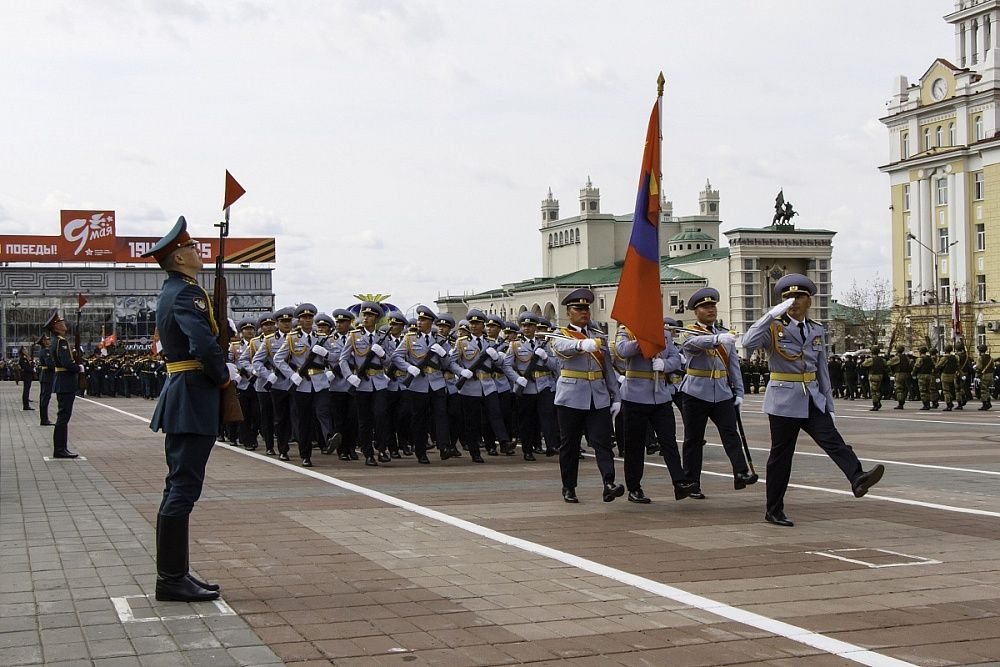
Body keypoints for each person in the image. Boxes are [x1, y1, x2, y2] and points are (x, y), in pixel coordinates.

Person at [141, 216, 238, 602]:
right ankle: (170, 578)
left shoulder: (177, 290)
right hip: (193, 394)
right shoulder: (186, 295)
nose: (199, 252)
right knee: (183, 487)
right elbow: (201, 344)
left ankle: (176, 573)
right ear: (179, 258)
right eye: (193, 248)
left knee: (179, 484)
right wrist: (223, 377)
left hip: (186, 392)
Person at [742, 274, 885, 527]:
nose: (793, 301)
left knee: (833, 440)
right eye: (787, 297)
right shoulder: (773, 327)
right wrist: (769, 315)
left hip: (812, 398)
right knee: (781, 457)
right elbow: (747, 342)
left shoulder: (816, 329)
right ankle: (773, 509)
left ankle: (857, 476)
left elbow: (822, 372)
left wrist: (830, 405)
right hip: (783, 400)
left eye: (799, 297)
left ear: (809, 301)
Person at [676, 288, 757, 499]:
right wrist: (718, 339)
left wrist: (739, 392)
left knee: (731, 433)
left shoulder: (723, 333)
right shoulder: (690, 332)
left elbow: (733, 366)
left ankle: (740, 472)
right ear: (696, 311)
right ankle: (692, 481)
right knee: (694, 438)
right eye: (705, 307)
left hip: (721, 391)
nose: (710, 310)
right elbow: (693, 344)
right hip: (695, 390)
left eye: (712, 306)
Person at [547, 289, 623, 503]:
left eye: (586, 309)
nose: (584, 312)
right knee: (570, 445)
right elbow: (560, 349)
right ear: (569, 312)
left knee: (603, 442)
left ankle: (609, 483)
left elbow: (607, 368)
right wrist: (580, 344)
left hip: (597, 396)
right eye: (578, 309)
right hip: (571, 396)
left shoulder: (598, 335)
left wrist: (615, 396)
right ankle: (569, 486)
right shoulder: (560, 333)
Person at [615, 316, 694, 502]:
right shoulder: (626, 331)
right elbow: (622, 350)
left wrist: (665, 365)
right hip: (635, 396)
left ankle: (679, 482)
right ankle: (634, 488)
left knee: (669, 441)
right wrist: (644, 340)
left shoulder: (664, 333)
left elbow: (676, 357)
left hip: (660, 395)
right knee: (634, 445)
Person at [274, 303, 329, 467]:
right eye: (304, 317)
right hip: (302, 384)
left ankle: (329, 436)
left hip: (320, 381)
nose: (307, 320)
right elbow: (278, 359)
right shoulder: (292, 338)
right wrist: (292, 375)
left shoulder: (322, 337)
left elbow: (335, 358)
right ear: (299, 320)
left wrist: (326, 353)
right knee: (304, 420)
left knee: (324, 411)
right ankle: (305, 454)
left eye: (310, 317)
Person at [43, 313, 82, 458]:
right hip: (66, 381)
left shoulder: (55, 341)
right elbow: (65, 363)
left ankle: (61, 448)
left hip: (62, 381)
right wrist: (78, 368)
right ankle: (59, 449)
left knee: (63, 416)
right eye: (60, 322)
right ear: (56, 327)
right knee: (63, 416)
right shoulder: (61, 341)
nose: (64, 323)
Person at [37, 334, 55, 425]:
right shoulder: (46, 351)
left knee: (44, 398)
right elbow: (49, 364)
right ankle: (44, 419)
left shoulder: (43, 351)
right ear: (44, 341)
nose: (49, 340)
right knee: (45, 398)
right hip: (47, 376)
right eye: (47, 339)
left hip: (45, 376)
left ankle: (44, 419)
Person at [887, 345, 911, 410]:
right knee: (904, 388)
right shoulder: (906, 357)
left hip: (899, 373)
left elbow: (889, 363)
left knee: (899, 388)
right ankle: (903, 400)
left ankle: (900, 403)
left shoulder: (897, 357)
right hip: (906, 373)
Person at [976, 344, 994, 411]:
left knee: (983, 390)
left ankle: (985, 404)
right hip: (990, 375)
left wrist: (977, 374)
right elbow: (992, 366)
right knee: (987, 390)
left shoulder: (980, 358)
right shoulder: (990, 358)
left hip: (984, 375)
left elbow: (979, 367)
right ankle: (988, 402)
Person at [19, 345, 34, 411]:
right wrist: (32, 368)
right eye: (25, 349)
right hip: (26, 375)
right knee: (26, 390)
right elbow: (26, 368)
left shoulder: (26, 358)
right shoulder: (22, 358)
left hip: (28, 375)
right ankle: (26, 405)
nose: (26, 351)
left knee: (27, 390)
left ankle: (27, 404)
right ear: (22, 351)